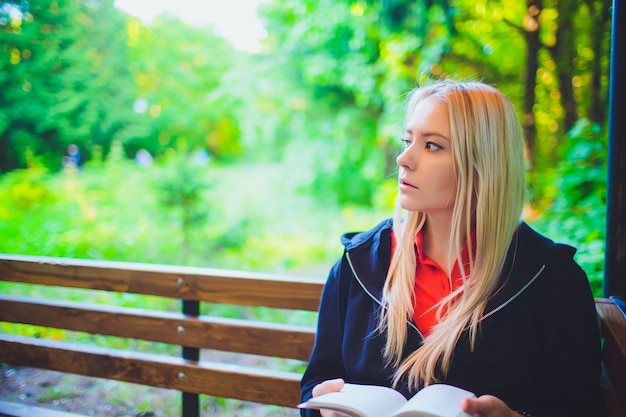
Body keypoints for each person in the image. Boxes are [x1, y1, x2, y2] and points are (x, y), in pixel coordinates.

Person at [300, 80, 604, 417]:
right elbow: (316, 384)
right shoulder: (358, 263)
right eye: (408, 140)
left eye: (432, 146)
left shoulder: (551, 280)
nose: (404, 158)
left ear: (483, 164)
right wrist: (323, 407)